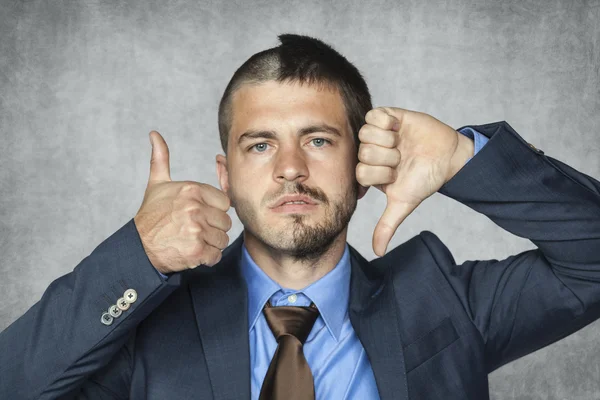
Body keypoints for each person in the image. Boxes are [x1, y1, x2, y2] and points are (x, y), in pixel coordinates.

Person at [1, 33, 599, 400]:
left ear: (363, 166)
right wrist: (137, 255)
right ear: (225, 175)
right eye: (260, 145)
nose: (290, 168)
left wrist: (463, 159)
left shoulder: (443, 301)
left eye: (317, 141)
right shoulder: (152, 327)